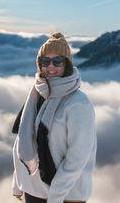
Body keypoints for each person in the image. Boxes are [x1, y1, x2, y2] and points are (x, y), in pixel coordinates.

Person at [12, 32, 97, 203]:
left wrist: (55, 197)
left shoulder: (78, 103)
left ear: (66, 64)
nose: (51, 66)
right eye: (45, 61)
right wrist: (18, 183)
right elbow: (23, 141)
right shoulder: (37, 95)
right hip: (33, 191)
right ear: (39, 65)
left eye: (57, 61)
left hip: (66, 196)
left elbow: (77, 157)